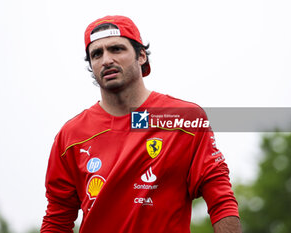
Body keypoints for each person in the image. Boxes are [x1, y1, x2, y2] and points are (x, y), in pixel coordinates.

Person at [41, 15, 242, 233]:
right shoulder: (71, 136)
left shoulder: (185, 119)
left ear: (141, 56)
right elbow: (56, 221)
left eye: (116, 49)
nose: (106, 59)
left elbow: (220, 197)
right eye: (96, 54)